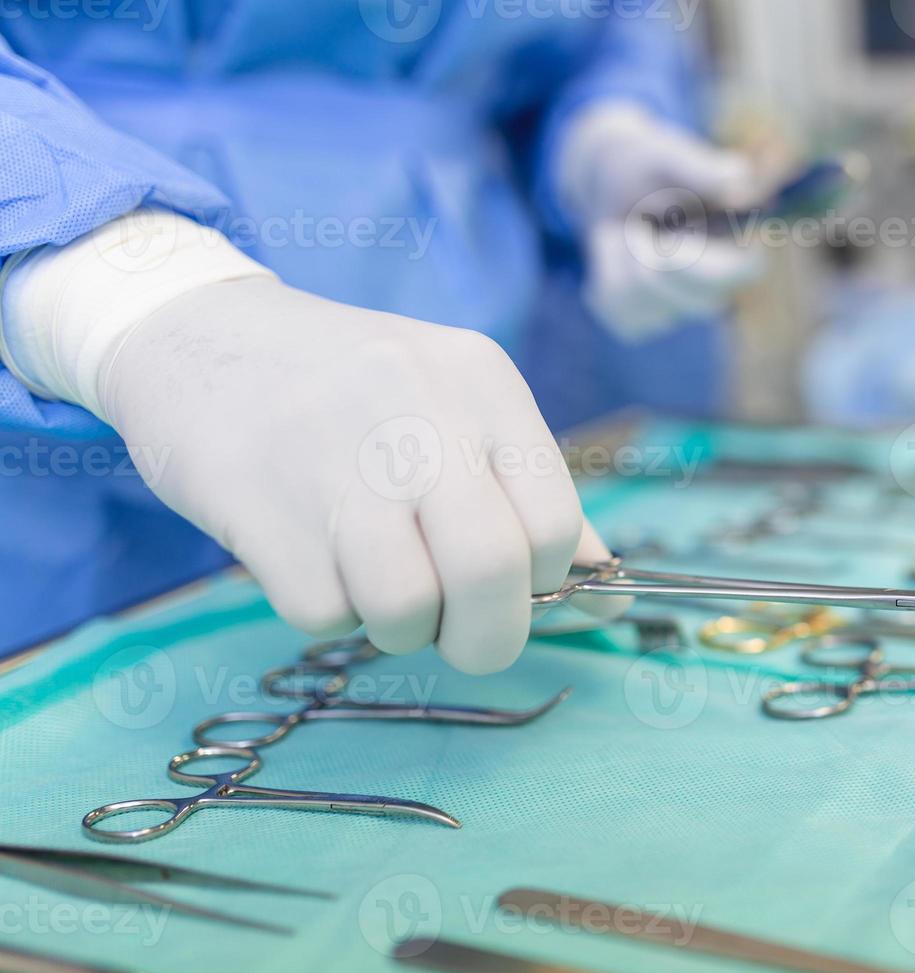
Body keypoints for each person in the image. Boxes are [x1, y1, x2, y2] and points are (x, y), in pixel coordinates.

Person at [0, 4, 761, 667]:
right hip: (52, 473)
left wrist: (602, 136)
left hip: (458, 280)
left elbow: (594, 28)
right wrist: (115, 288)